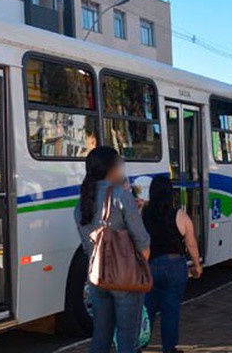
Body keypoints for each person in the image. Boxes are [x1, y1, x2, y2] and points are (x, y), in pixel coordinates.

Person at [75, 146, 151, 353]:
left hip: (97, 277)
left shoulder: (82, 202)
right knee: (127, 340)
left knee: (101, 336)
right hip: (125, 278)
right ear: (112, 168)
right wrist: (140, 266)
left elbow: (85, 246)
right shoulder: (120, 195)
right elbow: (142, 240)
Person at [143, 176, 202, 353]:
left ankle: (140, 342)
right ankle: (169, 348)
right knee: (171, 310)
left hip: (150, 266)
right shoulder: (180, 215)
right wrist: (197, 265)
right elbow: (191, 243)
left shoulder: (143, 213)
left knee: (148, 308)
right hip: (176, 265)